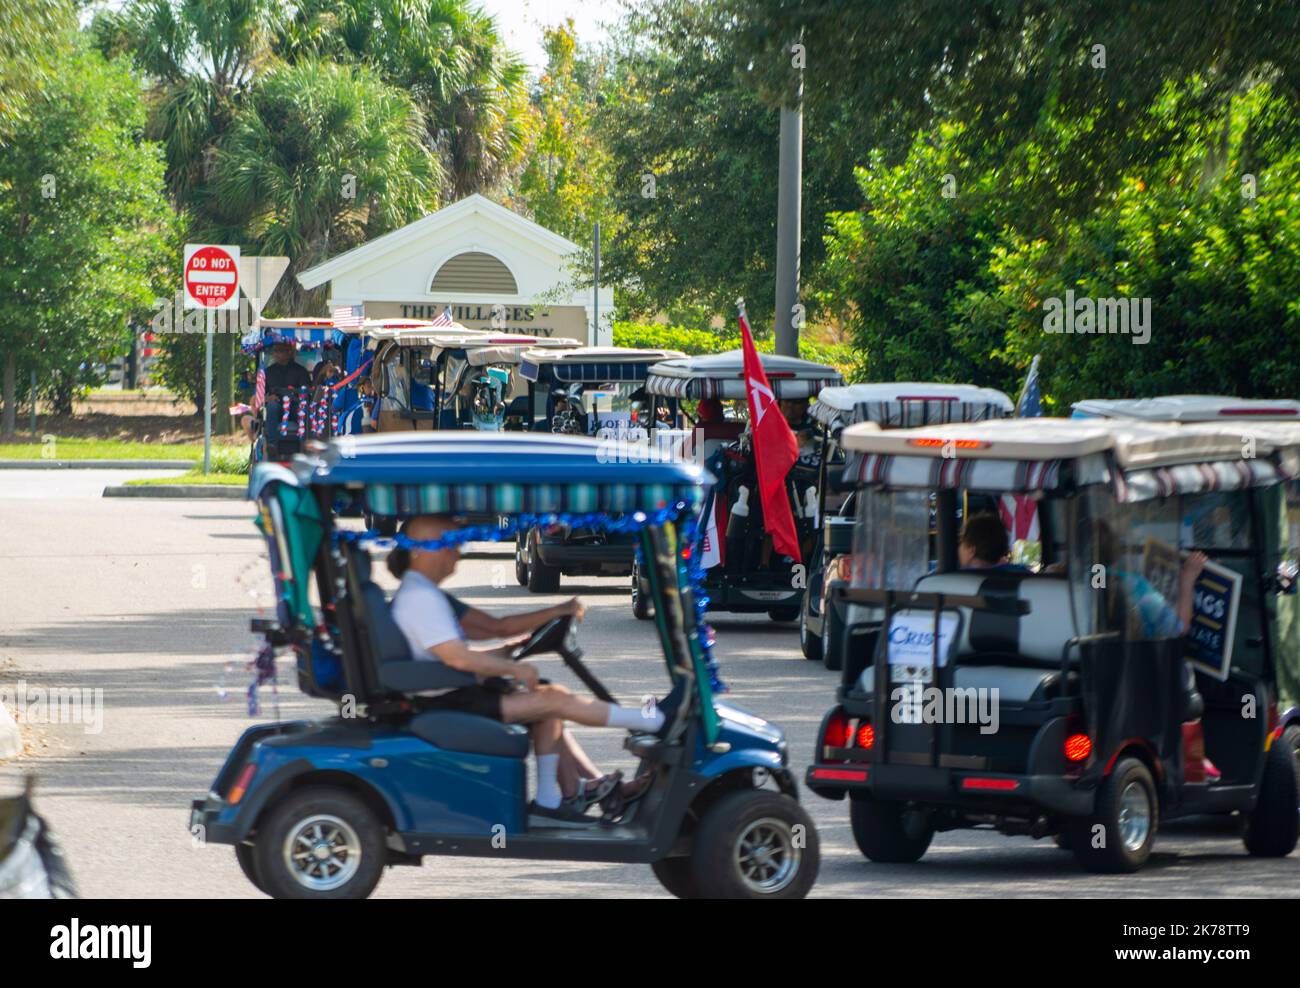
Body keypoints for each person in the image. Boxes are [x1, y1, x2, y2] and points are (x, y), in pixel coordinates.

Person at [389, 514, 672, 826]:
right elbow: (457, 658)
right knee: (553, 699)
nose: (456, 552)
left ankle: (557, 800)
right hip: (448, 701)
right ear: (416, 549)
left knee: (548, 701)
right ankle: (649, 721)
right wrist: (514, 669)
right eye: (446, 545)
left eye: (456, 544)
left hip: (455, 692)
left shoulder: (426, 593)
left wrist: (521, 640)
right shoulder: (420, 599)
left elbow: (493, 629)